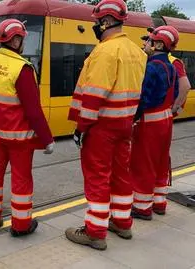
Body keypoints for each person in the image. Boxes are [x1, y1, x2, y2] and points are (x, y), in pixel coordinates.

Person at [65, 0, 147, 250]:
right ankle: (122, 222)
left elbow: (93, 95)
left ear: (107, 21)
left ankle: (95, 232)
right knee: (121, 174)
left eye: (96, 22)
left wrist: (81, 128)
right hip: (125, 123)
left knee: (98, 177)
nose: (95, 27)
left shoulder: (104, 52)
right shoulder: (137, 51)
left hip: (101, 126)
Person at [0, 19, 54, 237]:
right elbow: (33, 111)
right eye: (21, 38)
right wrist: (47, 139)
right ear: (17, 40)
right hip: (18, 137)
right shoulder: (22, 68)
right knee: (21, 178)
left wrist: (1, 33)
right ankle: (21, 226)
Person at [131, 26, 180, 220]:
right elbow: (175, 94)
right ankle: (159, 203)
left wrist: (133, 117)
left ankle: (142, 207)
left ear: (159, 44)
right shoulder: (171, 66)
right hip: (166, 120)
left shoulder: (151, 66)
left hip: (150, 121)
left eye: (149, 41)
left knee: (144, 163)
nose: (146, 44)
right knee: (160, 162)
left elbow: (144, 97)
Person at [142, 28, 192, 116]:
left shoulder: (174, 62)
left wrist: (175, 109)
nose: (144, 43)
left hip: (156, 114)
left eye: (148, 40)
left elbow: (185, 87)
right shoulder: (151, 61)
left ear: (159, 45)